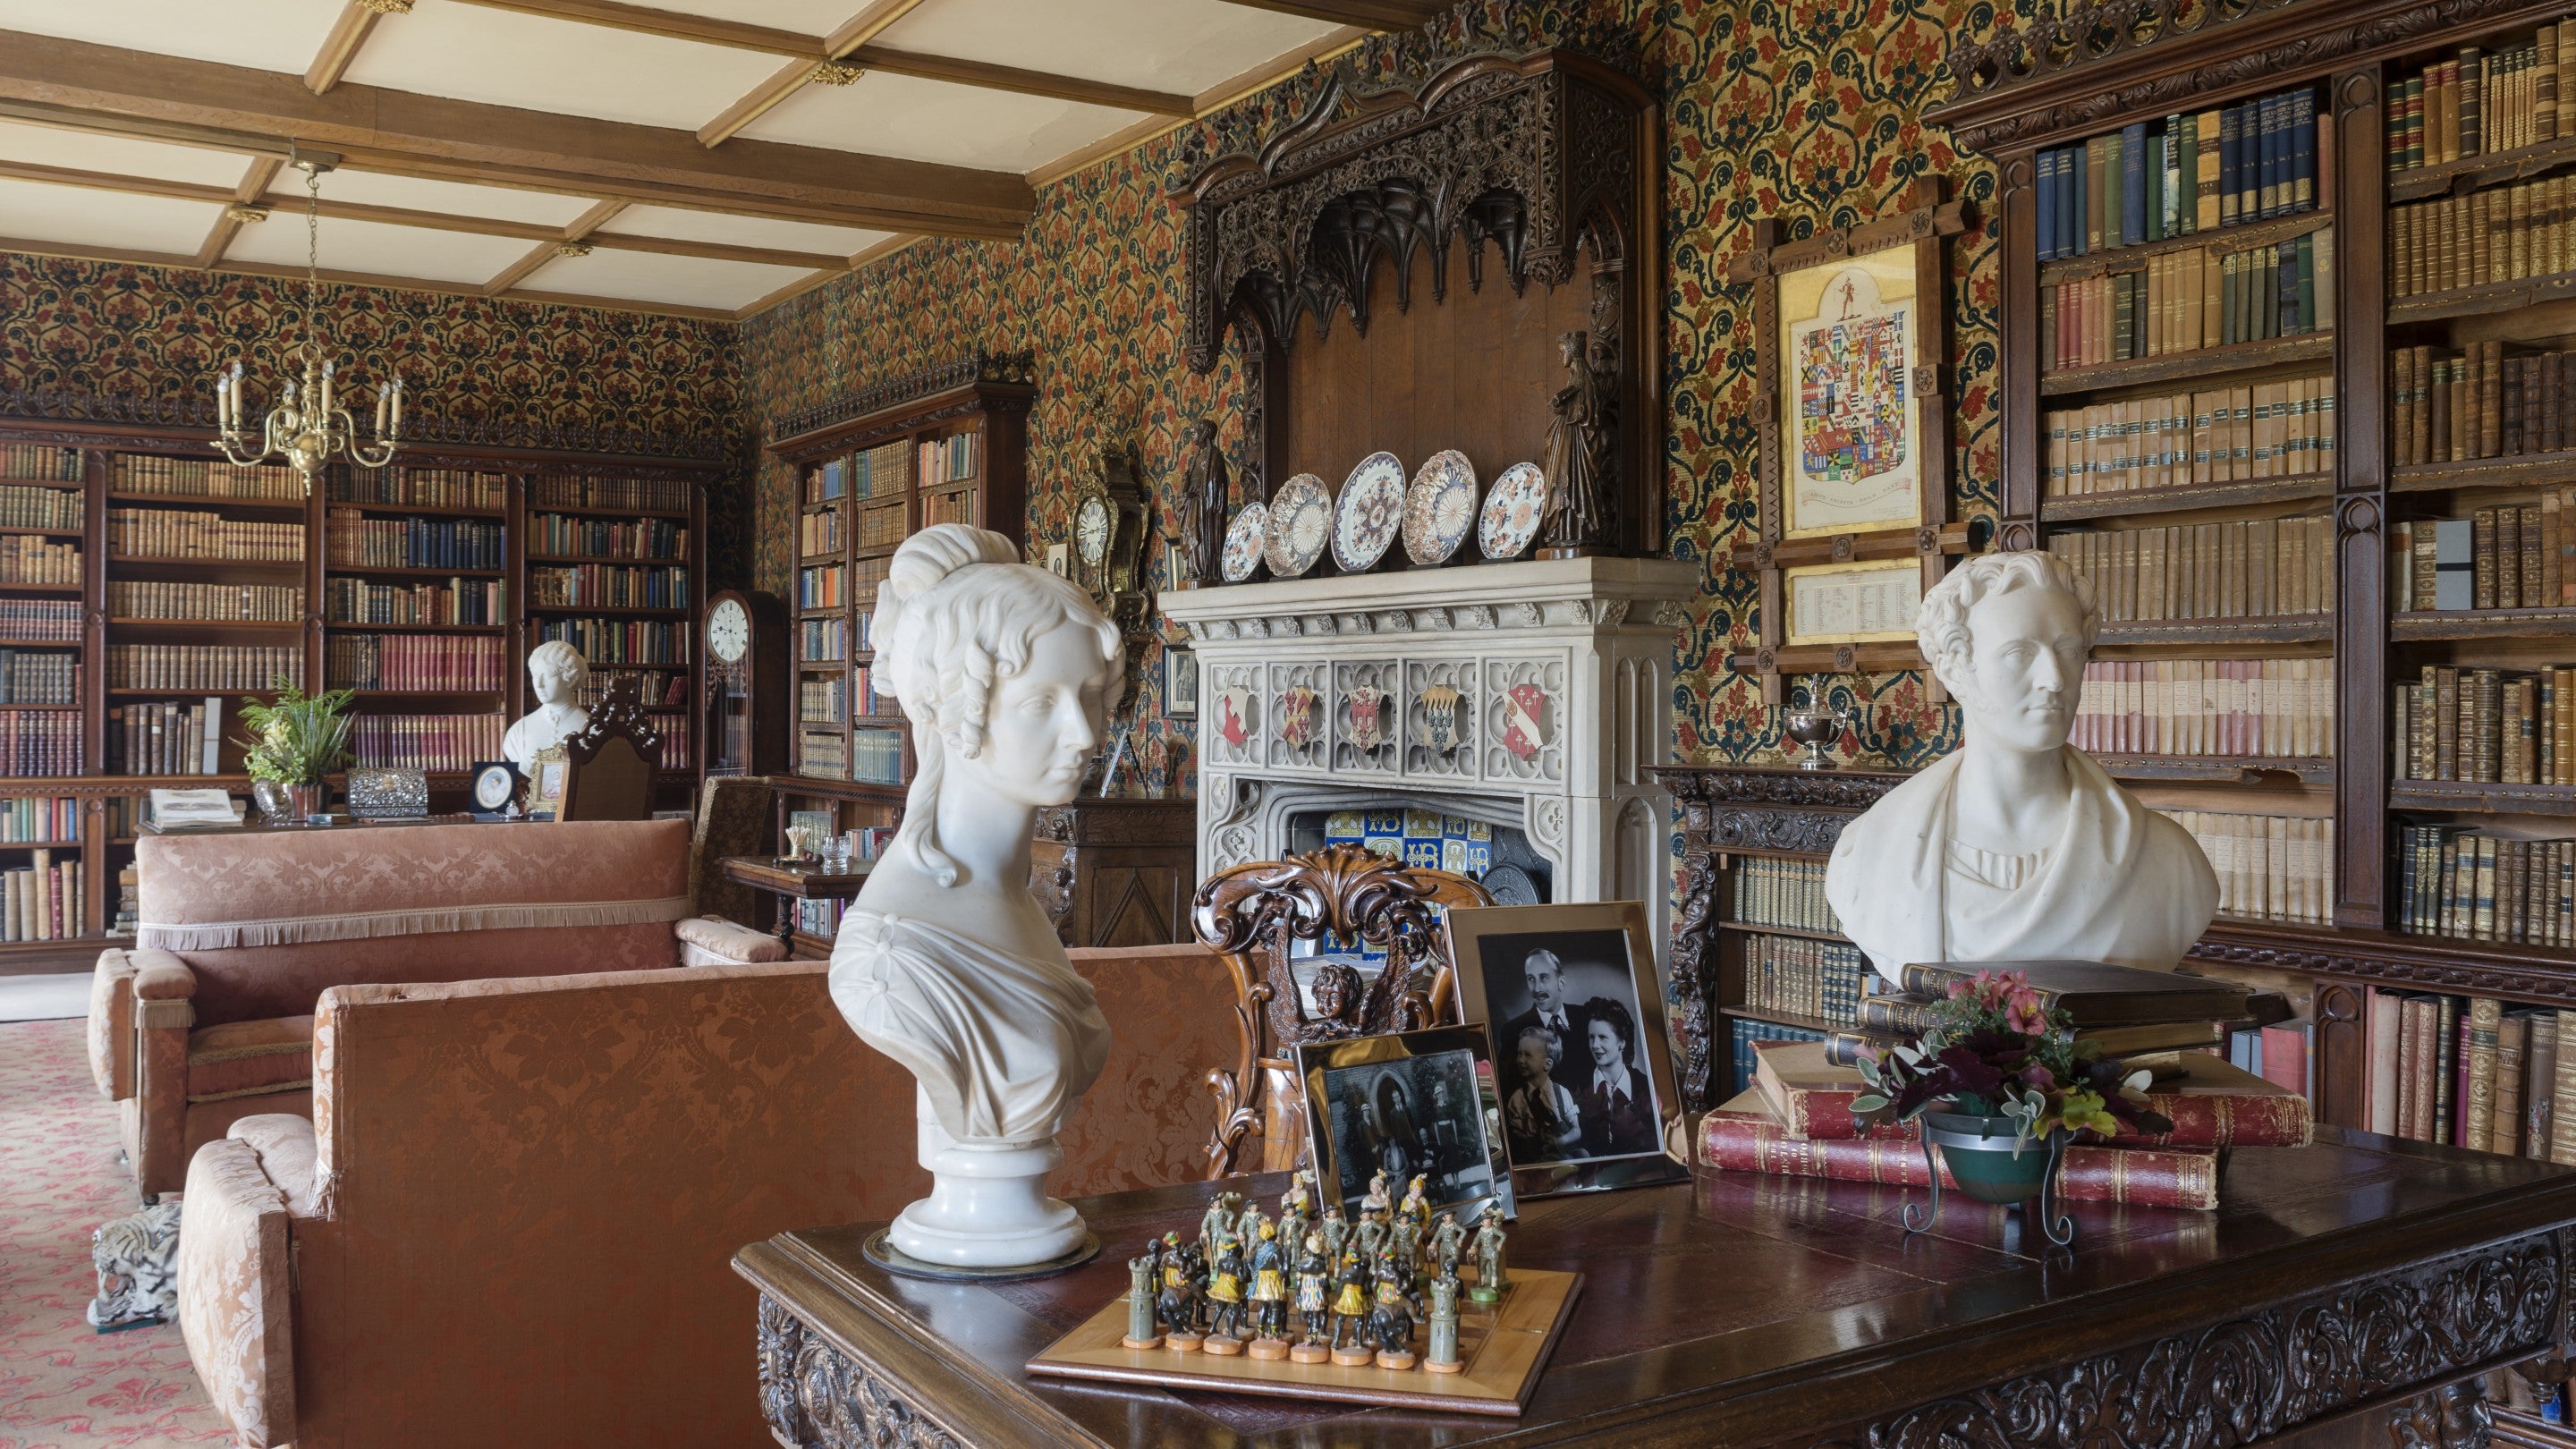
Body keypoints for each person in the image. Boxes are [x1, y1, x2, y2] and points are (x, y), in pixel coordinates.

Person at [825, 525, 1126, 1268]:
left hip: (1027, 1236)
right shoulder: (896, 952)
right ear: (961, 710)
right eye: (1041, 704)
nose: (1084, 731)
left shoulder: (1020, 910)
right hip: (971, 1240)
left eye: (1090, 696)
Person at [1824, 549, 2219, 985]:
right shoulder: (1871, 852)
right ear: (1956, 668)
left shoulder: (2169, 863)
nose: (2054, 679)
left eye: (2069, 650)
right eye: (2019, 653)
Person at [1498, 948, 1590, 1092]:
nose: (1536, 988)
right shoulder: (1513, 1031)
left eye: (1544, 978)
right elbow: (1510, 1088)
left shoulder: (1586, 1017)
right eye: (1531, 979)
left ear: (1561, 982)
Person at [1575, 998, 1658, 1157]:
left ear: (1622, 1043)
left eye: (1602, 1037)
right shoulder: (1578, 1088)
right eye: (1591, 1037)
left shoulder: (1646, 1088)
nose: (1594, 1045)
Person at [1504, 1023, 1583, 1164]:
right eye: (1519, 1053)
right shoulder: (1517, 1099)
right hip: (1537, 1159)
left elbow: (1576, 1130)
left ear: (1547, 1064)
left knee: (1582, 1154)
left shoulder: (1561, 1093)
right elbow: (1517, 1138)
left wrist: (1560, 1141)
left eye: (1527, 1055)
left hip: (1565, 1151)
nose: (1520, 1060)